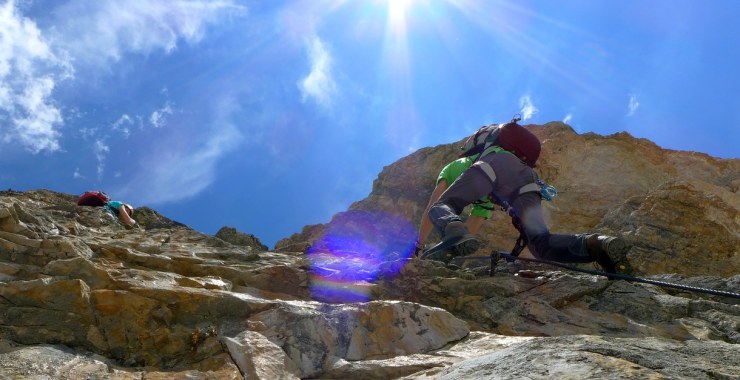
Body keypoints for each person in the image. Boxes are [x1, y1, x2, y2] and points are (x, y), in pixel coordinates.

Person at [424, 121, 630, 273]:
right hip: (529, 180)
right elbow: (475, 222)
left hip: (494, 166)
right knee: (542, 244)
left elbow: (438, 202)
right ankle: (599, 245)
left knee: (442, 205)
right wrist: (460, 240)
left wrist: (432, 242)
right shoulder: (517, 160)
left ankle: (452, 229)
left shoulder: (466, 162)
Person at [415, 156, 494, 256]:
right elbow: (474, 223)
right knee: (467, 232)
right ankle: (449, 250)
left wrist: (420, 243)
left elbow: (433, 205)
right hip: (495, 180)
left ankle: (419, 247)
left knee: (437, 205)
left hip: (465, 166)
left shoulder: (453, 168)